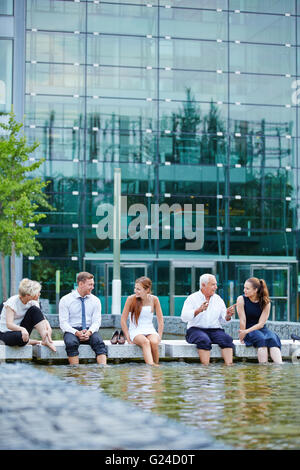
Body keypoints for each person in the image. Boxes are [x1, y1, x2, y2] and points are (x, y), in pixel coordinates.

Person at [181, 273, 235, 365]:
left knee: (227, 339)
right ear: (203, 285)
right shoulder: (192, 298)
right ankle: (206, 368)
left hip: (215, 330)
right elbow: (184, 318)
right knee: (204, 340)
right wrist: (198, 310)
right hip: (195, 330)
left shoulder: (218, 299)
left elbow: (223, 320)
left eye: (216, 284)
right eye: (213, 284)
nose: (216, 287)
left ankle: (229, 367)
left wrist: (228, 316)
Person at [59, 271, 107, 365]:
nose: (93, 287)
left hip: (90, 329)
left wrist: (89, 332)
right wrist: (76, 332)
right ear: (81, 284)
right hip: (72, 330)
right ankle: (76, 371)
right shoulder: (65, 300)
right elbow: (63, 323)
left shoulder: (96, 301)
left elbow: (97, 322)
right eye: (90, 285)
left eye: (93, 284)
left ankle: (103, 370)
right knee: (71, 343)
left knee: (99, 342)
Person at [0, 278, 56, 351]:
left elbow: (40, 318)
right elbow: (9, 325)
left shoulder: (33, 301)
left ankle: (46, 340)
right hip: (6, 332)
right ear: (28, 295)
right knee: (20, 337)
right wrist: (22, 329)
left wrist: (48, 327)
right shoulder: (12, 302)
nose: (39, 294)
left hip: (23, 331)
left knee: (35, 310)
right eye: (37, 293)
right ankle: (27, 341)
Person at [236, 277, 282, 364]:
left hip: (261, 328)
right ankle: (263, 369)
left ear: (255, 290)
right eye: (244, 287)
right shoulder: (241, 299)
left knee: (272, 339)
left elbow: (261, 324)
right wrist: (243, 334)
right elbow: (242, 320)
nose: (244, 290)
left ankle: (279, 368)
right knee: (261, 340)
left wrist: (246, 331)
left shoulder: (266, 302)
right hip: (249, 329)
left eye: (247, 288)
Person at [121, 276, 164, 366]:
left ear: (147, 290)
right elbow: (123, 320)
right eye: (135, 288)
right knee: (145, 342)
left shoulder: (154, 299)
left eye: (138, 289)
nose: (135, 291)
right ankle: (151, 366)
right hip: (136, 330)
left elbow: (160, 320)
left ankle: (156, 366)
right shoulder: (130, 299)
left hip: (149, 329)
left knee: (154, 342)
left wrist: (159, 336)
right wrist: (128, 338)